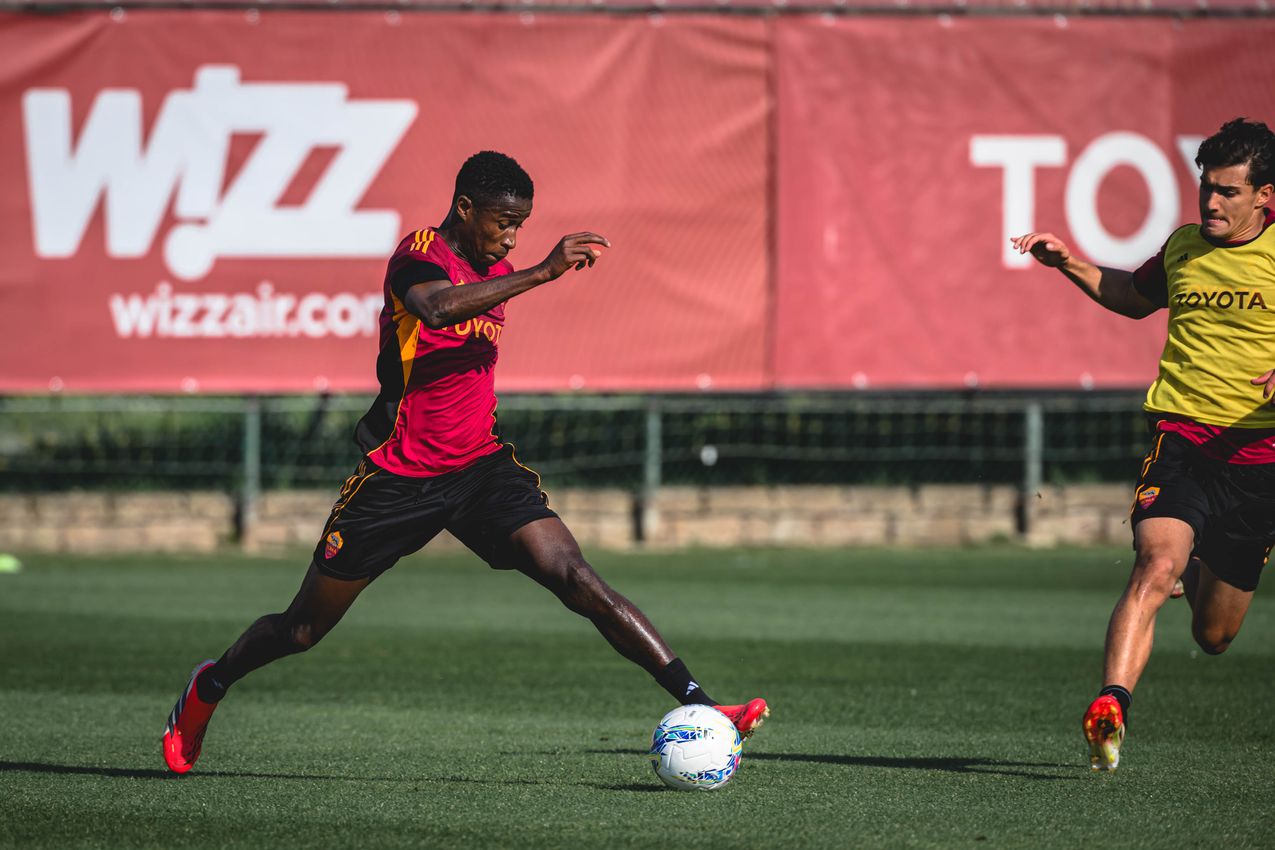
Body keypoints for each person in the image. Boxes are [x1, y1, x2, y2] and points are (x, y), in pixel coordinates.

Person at [162, 151, 768, 774]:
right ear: (465, 208)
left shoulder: (495, 270)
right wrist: (540, 272)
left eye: (521, 226)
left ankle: (705, 704)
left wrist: (523, 270)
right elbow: (435, 308)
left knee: (576, 577)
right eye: (503, 222)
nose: (510, 237)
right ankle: (210, 685)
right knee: (301, 632)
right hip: (399, 479)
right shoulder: (419, 256)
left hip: (481, 469)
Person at [1012, 118, 1275, 772]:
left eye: (1226, 192)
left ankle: (1196, 563)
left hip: (1257, 466)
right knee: (1152, 566)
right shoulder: (1184, 246)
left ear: (1264, 196)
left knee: (1214, 636)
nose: (1209, 204)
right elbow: (1131, 295)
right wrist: (1065, 260)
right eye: (1203, 189)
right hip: (1180, 441)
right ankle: (1110, 706)